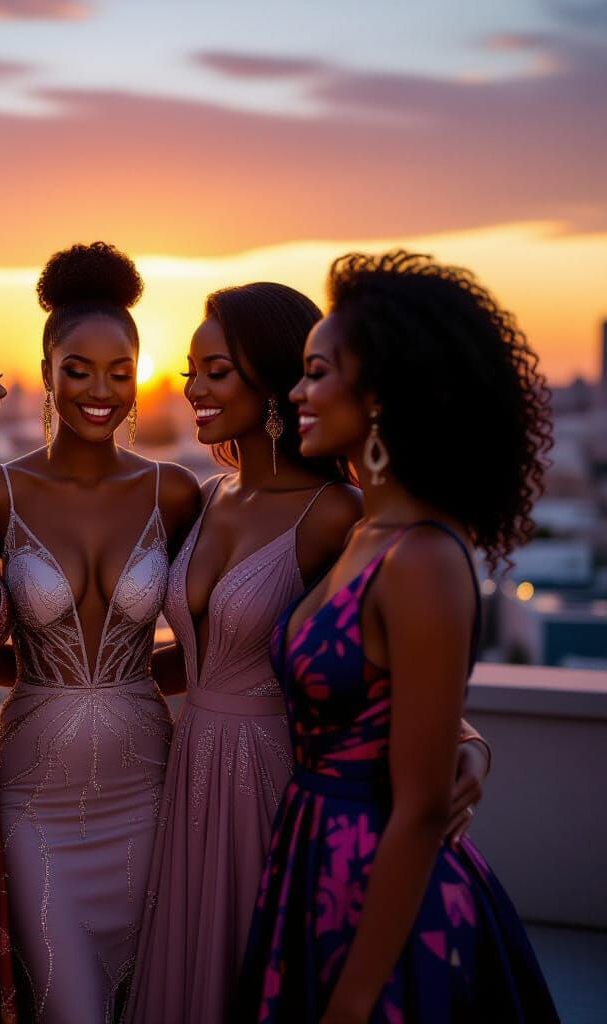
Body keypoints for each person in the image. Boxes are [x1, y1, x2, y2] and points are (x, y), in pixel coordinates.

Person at [127, 282, 492, 1024]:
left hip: (271, 777)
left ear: (269, 378)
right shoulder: (206, 495)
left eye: (215, 370)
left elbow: (374, 664)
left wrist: (469, 740)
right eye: (189, 369)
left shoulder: (338, 515)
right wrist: (47, 676)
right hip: (186, 772)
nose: (191, 387)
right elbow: (201, 654)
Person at [238, 251, 558, 1022]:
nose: (297, 392)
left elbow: (418, 809)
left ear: (380, 395)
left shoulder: (422, 557)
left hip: (384, 896)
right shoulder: (363, 530)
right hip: (312, 859)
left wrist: (351, 1003)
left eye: (317, 373)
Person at [0, 242, 201, 1023]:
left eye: (120, 372)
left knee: (142, 1001)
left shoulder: (176, 493)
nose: (101, 392)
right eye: (78, 369)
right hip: (35, 790)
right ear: (46, 367)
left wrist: (130, 686)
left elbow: (213, 650)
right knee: (65, 1004)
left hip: (147, 787)